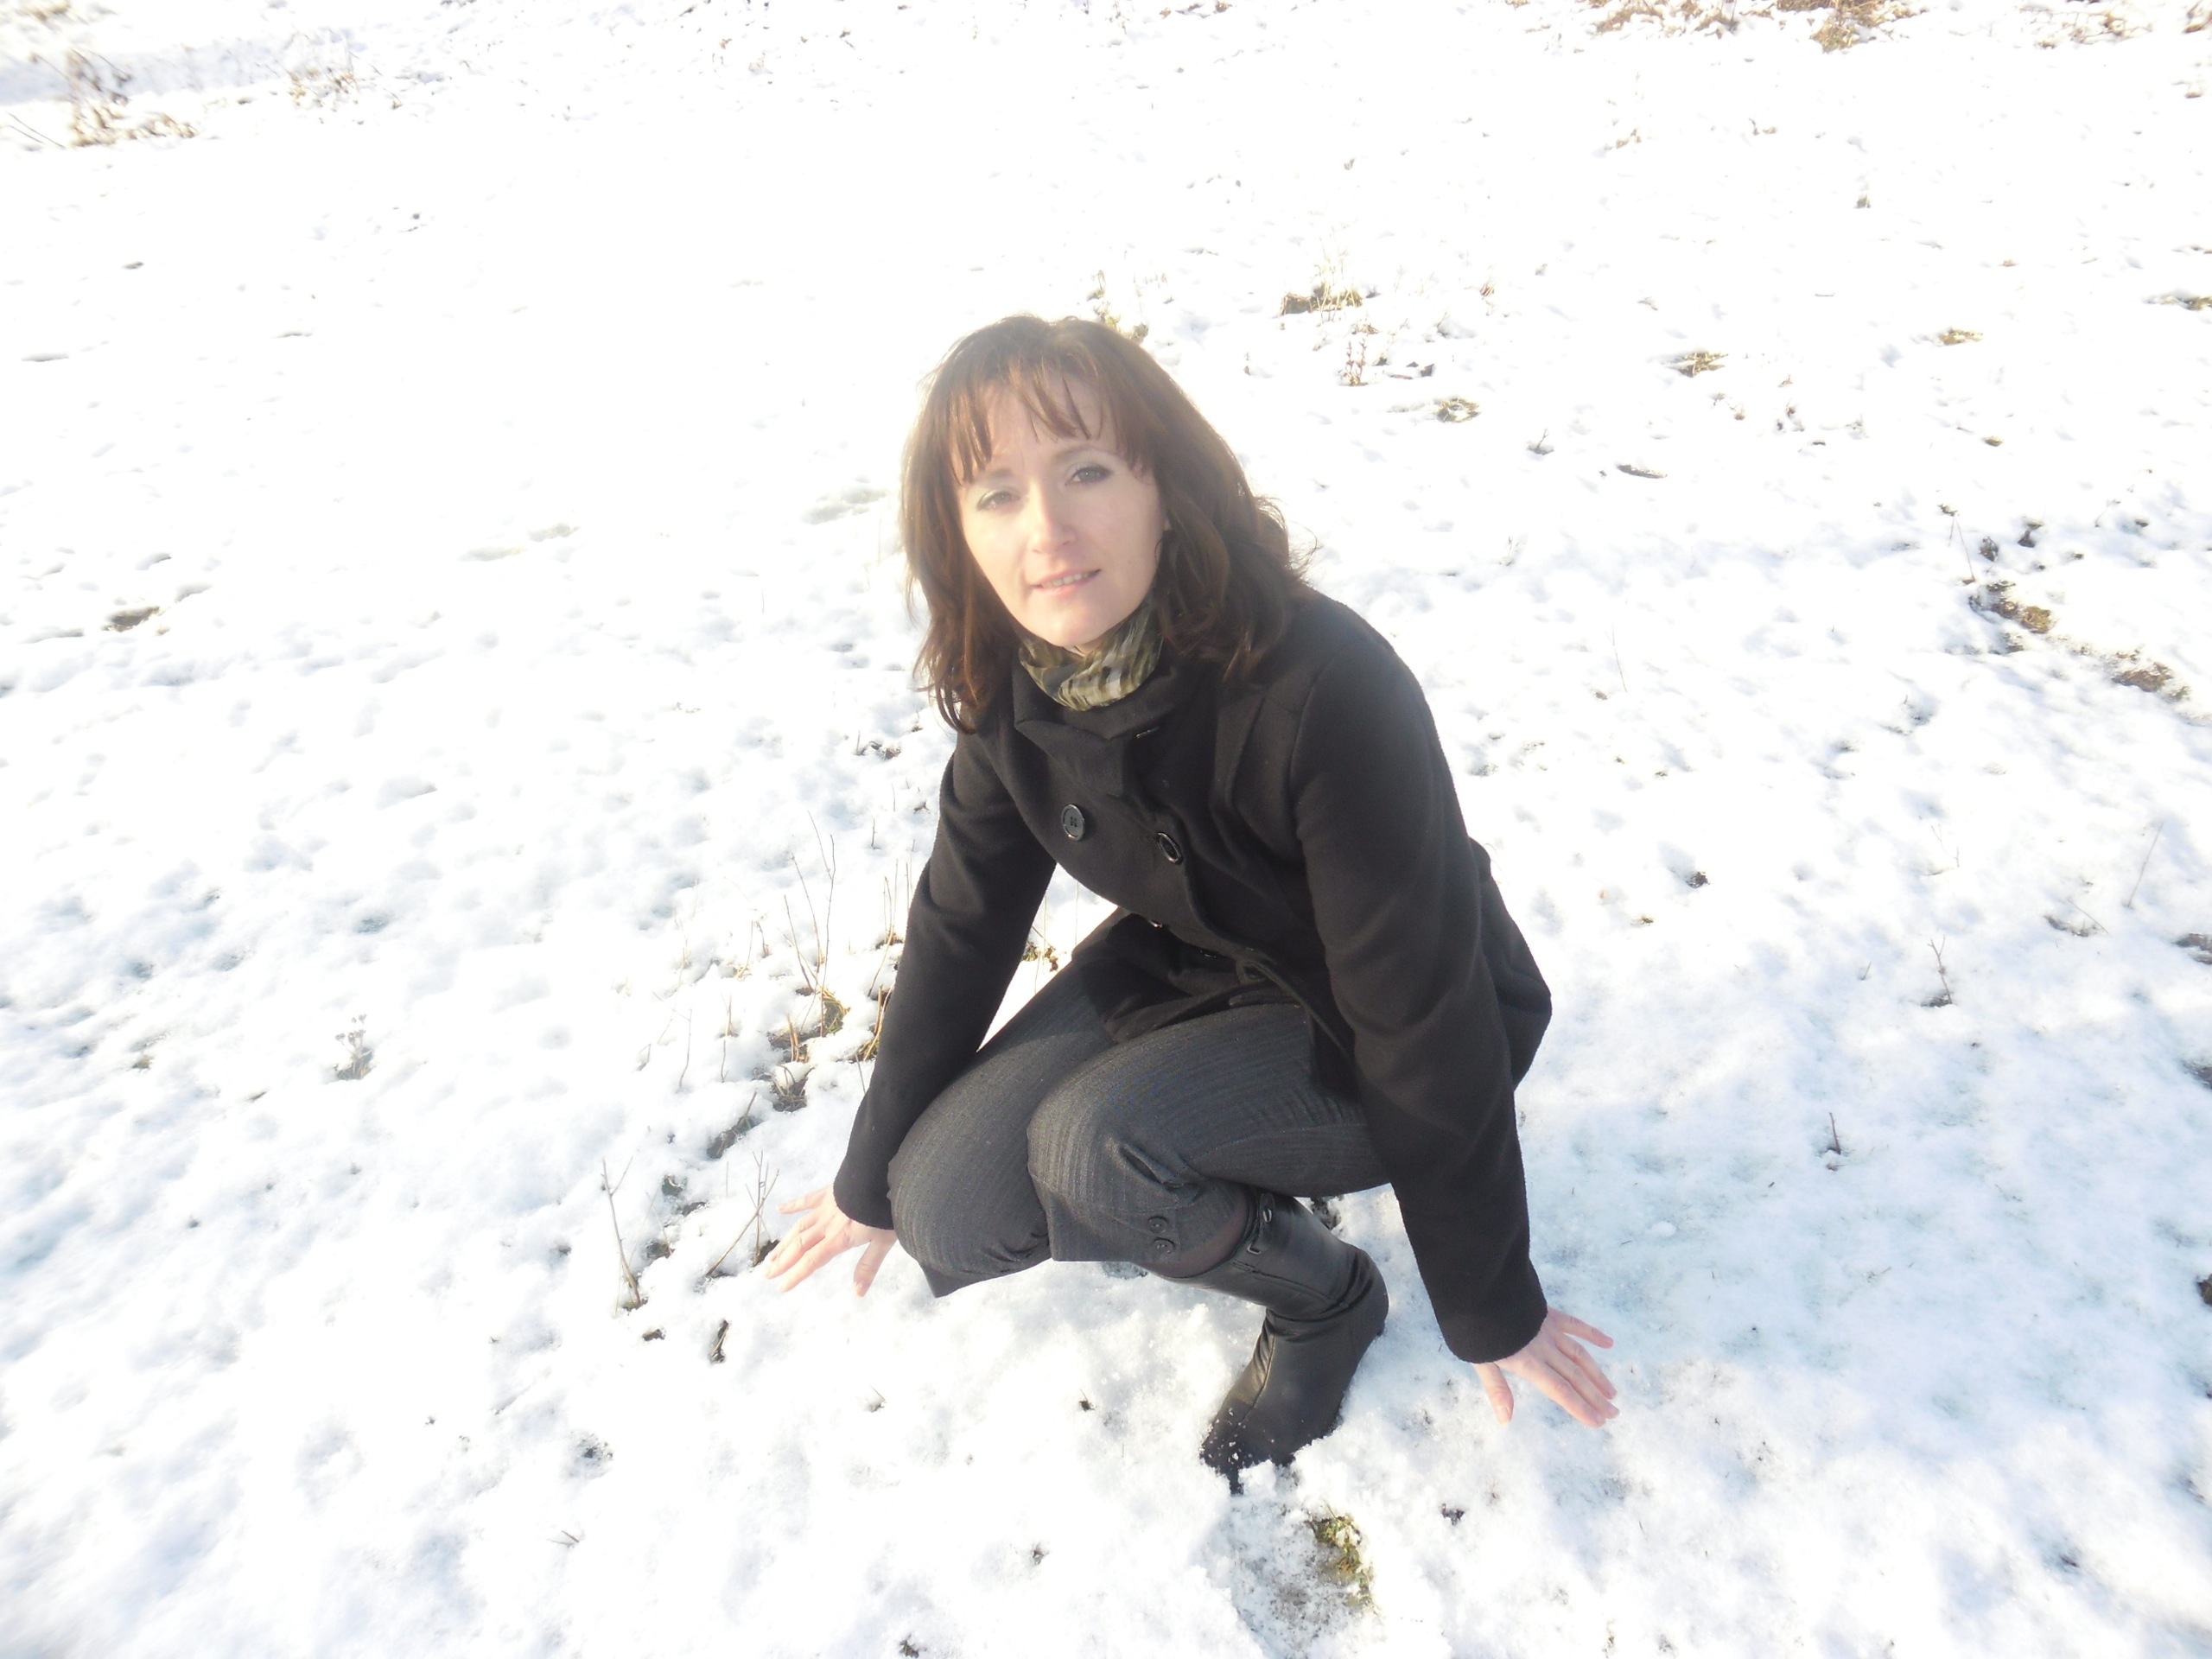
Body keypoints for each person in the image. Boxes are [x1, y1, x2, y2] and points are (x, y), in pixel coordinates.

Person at [764, 315, 1616, 1478]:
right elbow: (962, 927)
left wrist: (1489, 1299)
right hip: (1200, 969)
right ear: (957, 533)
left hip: (1380, 1018)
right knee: (943, 1202)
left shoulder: (1323, 684)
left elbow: (1422, 1009)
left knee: (1093, 1149)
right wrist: (866, 1181)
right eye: (998, 494)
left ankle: (1325, 1300)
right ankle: (1215, 1179)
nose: (1048, 531)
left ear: (1162, 486)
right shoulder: (1020, 686)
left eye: (1087, 472)